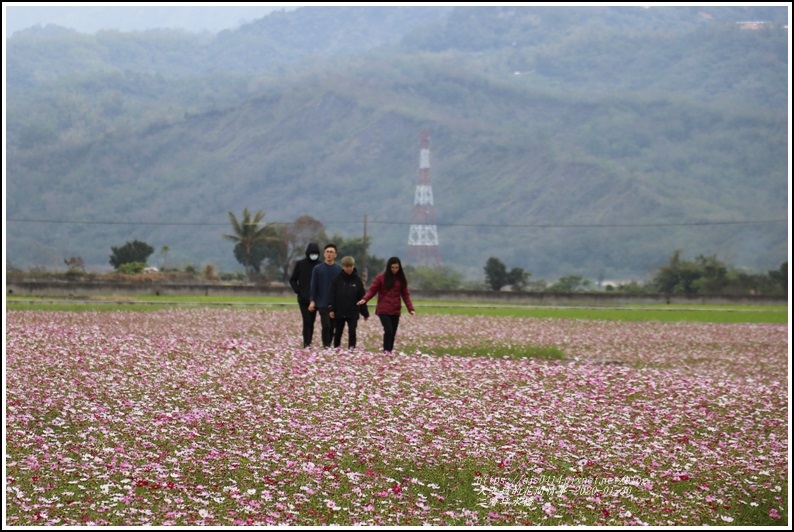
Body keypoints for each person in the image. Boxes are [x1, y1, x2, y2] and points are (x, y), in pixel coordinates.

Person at [357, 256, 415, 354]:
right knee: (388, 330)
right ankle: (386, 351)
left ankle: (389, 351)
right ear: (389, 267)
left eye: (396, 268)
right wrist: (364, 299)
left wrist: (411, 309)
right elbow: (372, 290)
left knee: (393, 332)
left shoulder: (401, 279)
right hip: (383, 310)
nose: (394, 270)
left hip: (395, 310)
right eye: (392, 267)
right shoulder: (381, 278)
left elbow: (405, 295)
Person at [328, 256, 369, 349]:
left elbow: (362, 298)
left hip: (353, 312)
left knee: (352, 332)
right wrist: (331, 309)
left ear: (353, 266)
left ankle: (351, 349)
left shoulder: (357, 281)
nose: (348, 269)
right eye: (346, 266)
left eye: (350, 266)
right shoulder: (337, 280)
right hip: (339, 311)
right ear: (343, 267)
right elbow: (332, 296)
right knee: (338, 332)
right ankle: (336, 348)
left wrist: (364, 313)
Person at [309, 243, 342, 348]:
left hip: (335, 304)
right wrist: (312, 300)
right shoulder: (317, 269)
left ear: (335, 255)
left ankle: (329, 343)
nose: (329, 254)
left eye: (331, 252)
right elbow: (313, 286)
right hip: (322, 303)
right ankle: (326, 345)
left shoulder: (339, 270)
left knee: (333, 326)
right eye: (327, 252)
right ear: (324, 254)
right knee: (326, 325)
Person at [289, 242, 321, 348]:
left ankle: (309, 342)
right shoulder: (300, 264)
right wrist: (298, 290)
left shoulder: (320, 265)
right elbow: (293, 279)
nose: (314, 255)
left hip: (315, 299)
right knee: (306, 320)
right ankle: (306, 343)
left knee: (311, 322)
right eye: (312, 253)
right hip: (303, 299)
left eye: (316, 253)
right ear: (307, 253)